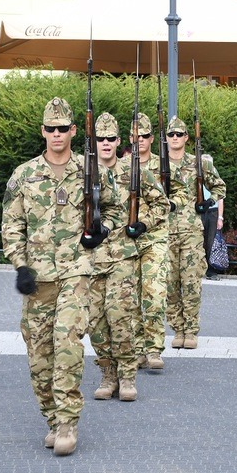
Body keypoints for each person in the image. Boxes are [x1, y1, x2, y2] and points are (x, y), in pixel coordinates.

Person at [2, 97, 120, 456]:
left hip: (76, 270)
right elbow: (12, 225)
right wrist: (20, 265)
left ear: (72, 130)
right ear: (43, 131)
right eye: (51, 128)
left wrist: (102, 230)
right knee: (39, 354)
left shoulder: (90, 170)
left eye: (63, 128)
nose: (57, 134)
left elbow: (115, 207)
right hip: (37, 278)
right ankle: (53, 419)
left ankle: (68, 422)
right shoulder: (23, 174)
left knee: (67, 343)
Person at [87, 112, 171, 401]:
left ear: (118, 141)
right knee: (95, 323)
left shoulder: (134, 170)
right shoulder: (82, 172)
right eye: (100, 138)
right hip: (91, 258)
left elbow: (162, 204)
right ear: (93, 142)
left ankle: (127, 376)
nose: (105, 143)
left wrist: (143, 223)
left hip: (123, 256)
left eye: (110, 138)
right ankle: (107, 374)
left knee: (121, 317)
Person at [165, 115, 226, 349]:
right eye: (171, 134)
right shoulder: (158, 164)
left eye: (179, 134)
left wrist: (209, 201)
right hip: (165, 232)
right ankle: (177, 329)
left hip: (191, 232)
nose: (175, 138)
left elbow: (219, 186)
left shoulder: (199, 163)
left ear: (186, 137)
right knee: (170, 284)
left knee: (191, 283)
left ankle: (190, 330)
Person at [127, 113, 174, 367]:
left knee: (154, 293)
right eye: (136, 136)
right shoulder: (121, 167)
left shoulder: (163, 164)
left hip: (155, 236)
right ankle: (137, 348)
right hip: (128, 240)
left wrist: (173, 203)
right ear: (129, 138)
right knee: (132, 297)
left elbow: (180, 193)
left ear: (152, 138)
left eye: (145, 136)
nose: (140, 140)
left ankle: (153, 348)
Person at [201, 154, 225, 281]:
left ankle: (211, 270)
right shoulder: (197, 177)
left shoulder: (216, 179)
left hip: (213, 212)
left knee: (211, 241)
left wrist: (220, 217)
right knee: (198, 240)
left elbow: (220, 199)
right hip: (199, 211)